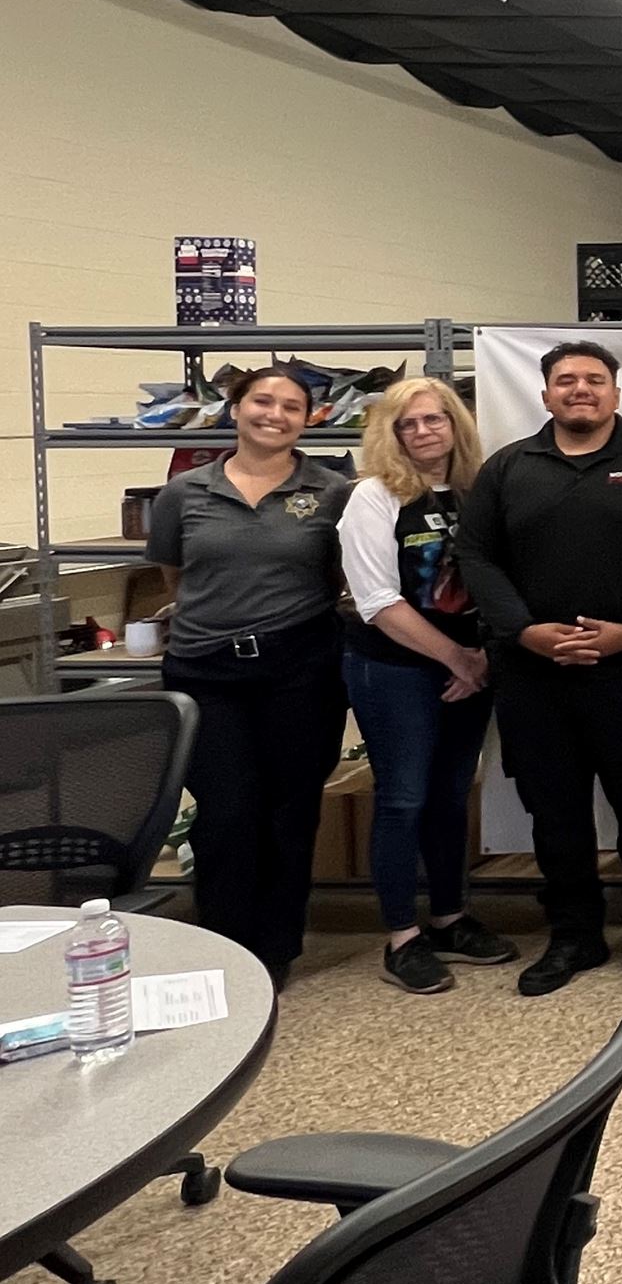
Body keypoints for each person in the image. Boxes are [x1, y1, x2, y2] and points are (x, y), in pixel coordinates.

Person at [456, 341, 622, 996]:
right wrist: (525, 631)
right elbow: (477, 557)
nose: (580, 390)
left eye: (595, 380)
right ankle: (574, 936)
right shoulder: (508, 468)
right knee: (555, 813)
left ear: (615, 394)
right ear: (545, 394)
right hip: (534, 674)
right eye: (566, 380)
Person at [146, 365, 353, 987]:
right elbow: (174, 576)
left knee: (291, 810)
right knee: (226, 813)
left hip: (300, 668)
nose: (275, 414)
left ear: (309, 420)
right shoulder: (184, 492)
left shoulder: (332, 492)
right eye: (262, 401)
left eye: (292, 406)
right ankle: (228, 944)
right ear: (234, 409)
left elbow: (341, 576)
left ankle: (276, 948)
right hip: (206, 670)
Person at [339, 376, 519, 996]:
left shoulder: (479, 490)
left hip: (471, 666)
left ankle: (449, 919)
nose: (422, 432)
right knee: (403, 798)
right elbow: (377, 602)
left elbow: (505, 577)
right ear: (390, 434)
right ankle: (402, 938)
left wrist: (482, 658)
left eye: (433, 419)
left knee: (449, 797)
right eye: (407, 424)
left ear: (455, 424)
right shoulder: (374, 497)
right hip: (396, 669)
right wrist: (458, 660)